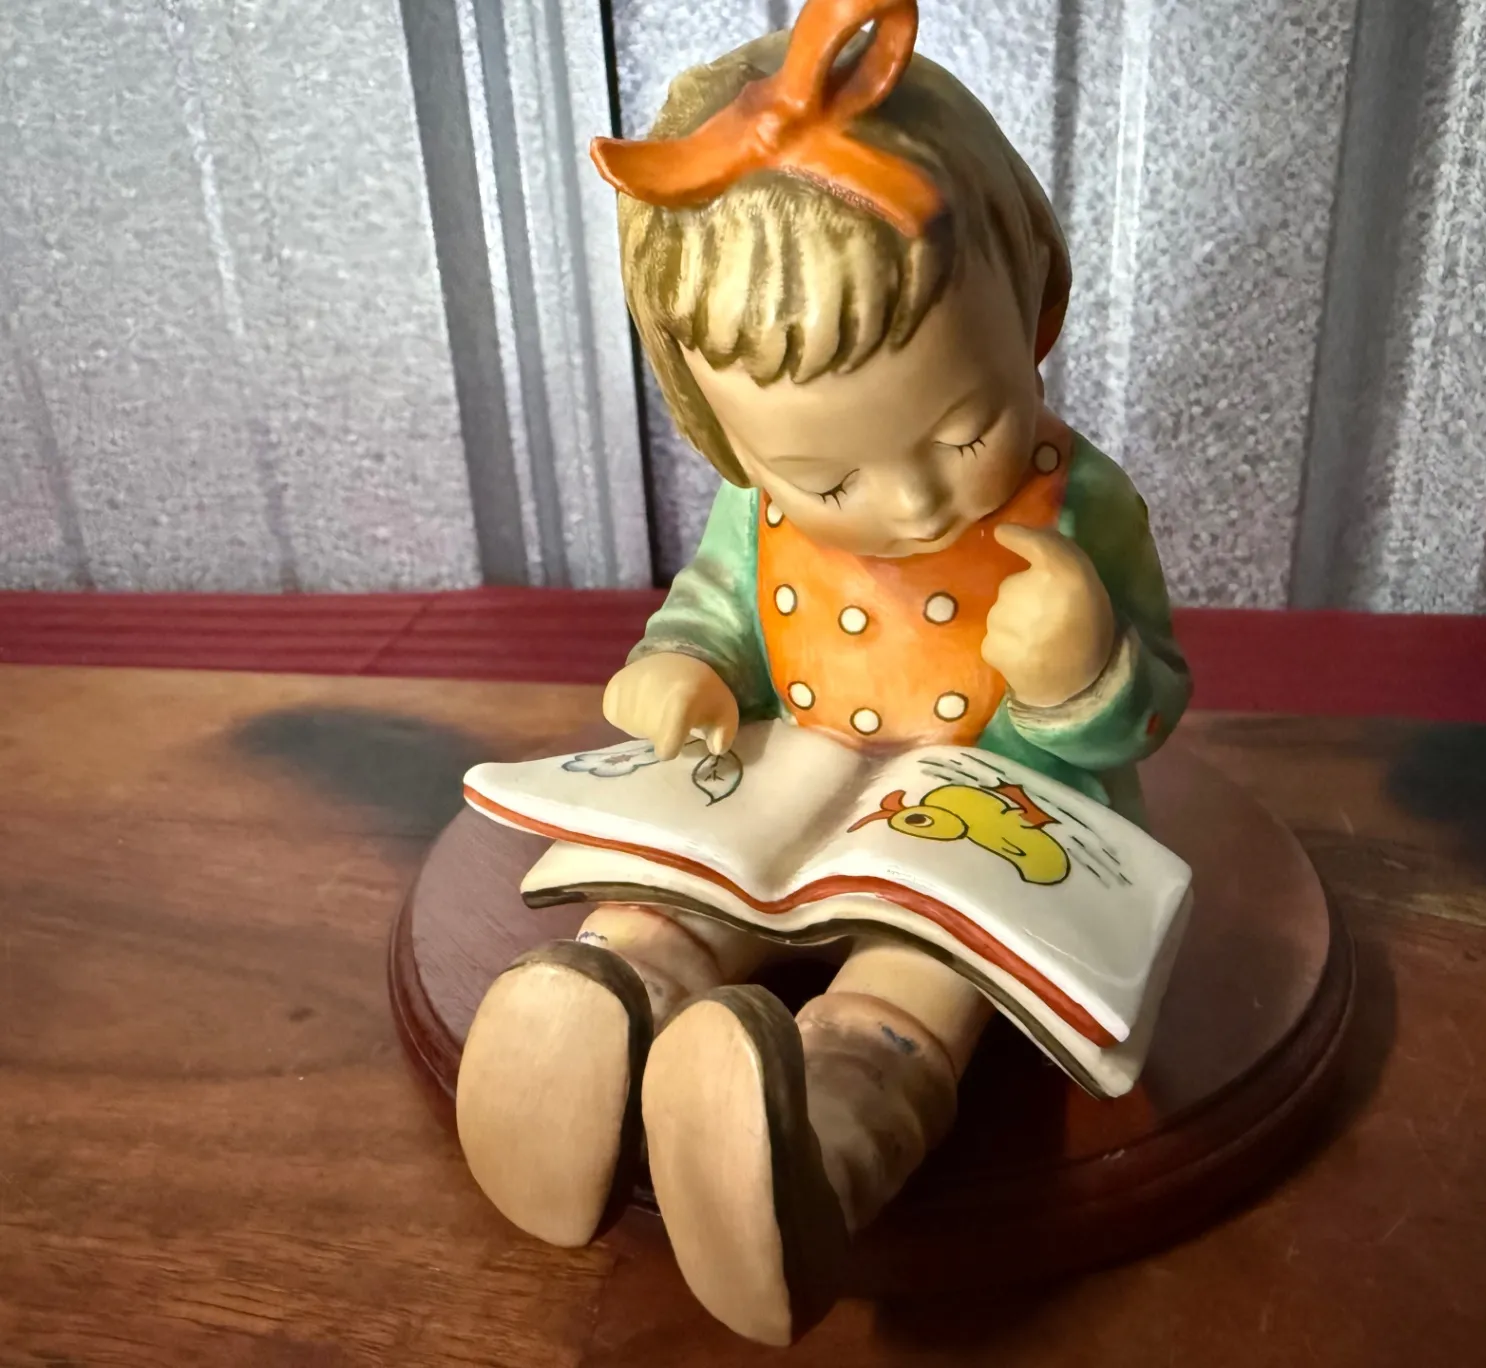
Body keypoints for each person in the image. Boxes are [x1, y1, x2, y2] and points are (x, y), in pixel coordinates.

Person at [454, 0, 1189, 1344]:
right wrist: (682, 663)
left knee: (914, 983)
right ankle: (592, 1024)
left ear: (1032, 289)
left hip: (987, 817)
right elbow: (718, 608)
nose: (912, 504)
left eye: (962, 428)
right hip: (786, 783)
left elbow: (1152, 705)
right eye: (826, 479)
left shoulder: (1082, 506)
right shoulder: (753, 513)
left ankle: (813, 1156)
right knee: (668, 906)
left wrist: (1082, 670)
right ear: (725, 437)